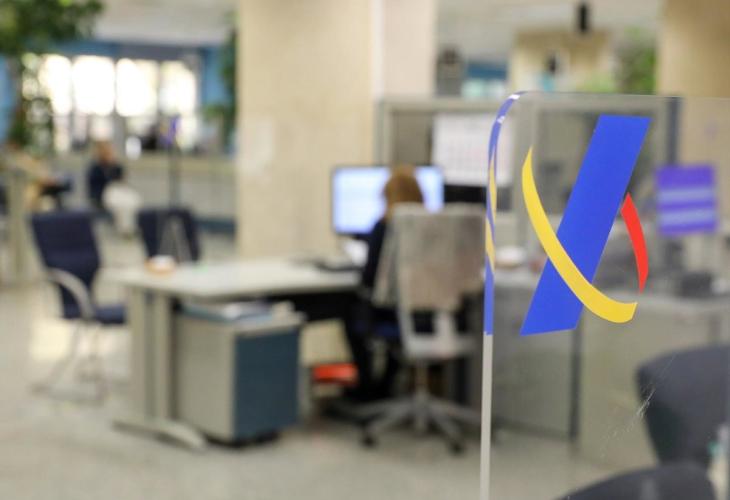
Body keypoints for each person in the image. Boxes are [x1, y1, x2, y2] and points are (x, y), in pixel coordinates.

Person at [344, 165, 424, 401]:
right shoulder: (432, 228)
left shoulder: (384, 226)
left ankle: (367, 387)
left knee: (348, 311)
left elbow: (369, 277)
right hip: (429, 314)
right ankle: (386, 386)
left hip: (392, 312)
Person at [87, 141, 124, 210]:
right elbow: (94, 190)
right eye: (105, 153)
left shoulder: (117, 168)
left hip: (116, 198)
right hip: (100, 200)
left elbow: (120, 184)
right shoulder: (96, 169)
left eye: (109, 152)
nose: (108, 155)